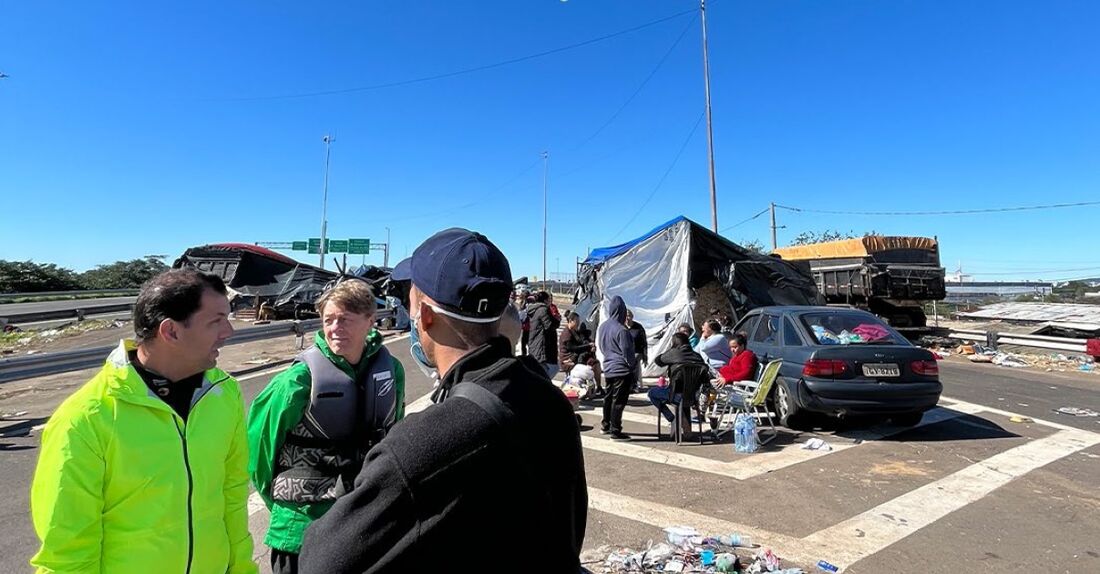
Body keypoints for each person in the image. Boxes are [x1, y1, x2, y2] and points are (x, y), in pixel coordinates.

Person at [298, 228, 587, 574]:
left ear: (426, 315)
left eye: (410, 300)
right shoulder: (548, 398)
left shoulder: (418, 446)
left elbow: (319, 562)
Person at [30, 269, 257, 574]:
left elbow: (231, 496)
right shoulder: (86, 417)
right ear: (171, 332)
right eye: (216, 321)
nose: (228, 331)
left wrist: (242, 569)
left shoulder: (223, 393)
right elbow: (66, 550)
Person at [248, 277, 406, 574]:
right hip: (301, 526)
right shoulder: (297, 381)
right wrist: (282, 504)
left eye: (345, 319)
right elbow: (259, 452)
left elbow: (393, 432)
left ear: (371, 320)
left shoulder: (391, 372)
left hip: (365, 519)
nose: (335, 328)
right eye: (328, 319)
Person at [648, 331, 708, 437]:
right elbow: (705, 378)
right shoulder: (697, 356)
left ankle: (672, 418)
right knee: (685, 396)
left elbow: (658, 361)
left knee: (652, 393)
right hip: (693, 397)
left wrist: (671, 351)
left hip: (675, 395)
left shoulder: (674, 353)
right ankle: (687, 430)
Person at [597, 295, 637, 441]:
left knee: (608, 398)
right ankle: (616, 430)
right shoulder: (622, 330)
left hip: (608, 366)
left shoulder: (603, 326)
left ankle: (605, 425)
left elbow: (601, 346)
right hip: (621, 368)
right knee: (618, 401)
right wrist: (632, 366)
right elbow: (627, 352)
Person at [526, 290, 562, 377]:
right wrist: (557, 320)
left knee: (540, 372)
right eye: (549, 299)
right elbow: (549, 325)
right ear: (545, 300)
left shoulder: (534, 309)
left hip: (536, 344)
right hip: (542, 346)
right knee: (548, 371)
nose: (550, 301)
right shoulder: (543, 309)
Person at [624, 309, 648, 390]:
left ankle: (634, 384)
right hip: (624, 352)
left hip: (636, 351)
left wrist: (645, 356)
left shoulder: (638, 327)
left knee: (634, 359)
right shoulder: (621, 327)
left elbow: (644, 342)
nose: (627, 318)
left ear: (632, 317)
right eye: (625, 316)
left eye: (629, 316)